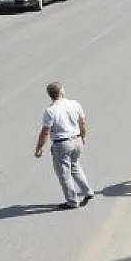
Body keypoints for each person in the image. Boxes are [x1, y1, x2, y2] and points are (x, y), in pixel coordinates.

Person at [34, 81, 94, 210]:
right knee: (75, 166)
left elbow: (45, 131)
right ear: (61, 91)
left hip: (62, 144)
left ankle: (72, 201)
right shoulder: (74, 104)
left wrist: (39, 148)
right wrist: (83, 136)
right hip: (77, 140)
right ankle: (87, 191)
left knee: (64, 174)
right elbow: (82, 122)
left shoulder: (50, 111)